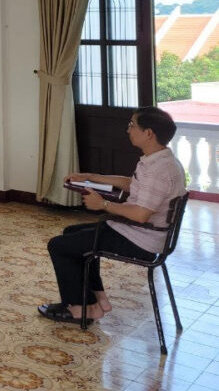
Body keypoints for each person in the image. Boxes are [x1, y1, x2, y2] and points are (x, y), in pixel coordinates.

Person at [39, 107, 185, 325]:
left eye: (132, 125)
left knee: (59, 246)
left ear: (148, 133)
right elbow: (132, 183)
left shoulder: (158, 171)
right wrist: (91, 177)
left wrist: (103, 204)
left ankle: (79, 308)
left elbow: (140, 215)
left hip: (140, 240)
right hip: (140, 233)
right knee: (71, 233)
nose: (128, 130)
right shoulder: (159, 159)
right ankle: (97, 299)